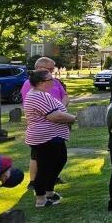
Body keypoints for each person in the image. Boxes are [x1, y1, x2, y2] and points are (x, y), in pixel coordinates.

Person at [23, 69, 75, 208]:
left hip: (52, 136)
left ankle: (49, 192)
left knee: (59, 161)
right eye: (50, 79)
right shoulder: (38, 96)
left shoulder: (41, 94)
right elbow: (54, 116)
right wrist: (73, 119)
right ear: (41, 83)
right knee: (45, 167)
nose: (53, 81)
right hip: (45, 137)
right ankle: (41, 199)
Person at [21, 56, 68, 190]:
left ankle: (51, 180)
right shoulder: (30, 85)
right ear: (39, 68)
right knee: (39, 156)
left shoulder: (55, 81)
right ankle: (34, 181)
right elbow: (31, 105)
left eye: (53, 69)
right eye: (50, 69)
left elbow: (64, 95)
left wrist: (61, 109)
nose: (52, 72)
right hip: (43, 126)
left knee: (58, 157)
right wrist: (58, 113)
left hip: (58, 122)